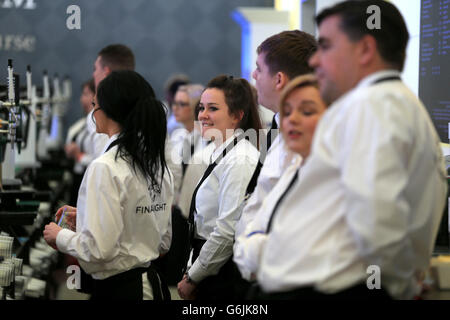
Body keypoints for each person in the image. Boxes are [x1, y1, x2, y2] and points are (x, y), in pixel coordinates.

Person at [253, 0, 447, 300]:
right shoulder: (387, 103)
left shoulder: (373, 106)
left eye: (327, 46)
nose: (315, 61)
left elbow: (377, 224)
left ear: (365, 50)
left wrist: (392, 288)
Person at [43, 70, 174, 300]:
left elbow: (98, 250)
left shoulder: (105, 167)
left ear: (107, 110)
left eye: (95, 104)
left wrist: (59, 236)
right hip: (152, 286)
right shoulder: (157, 162)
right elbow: (163, 242)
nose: (92, 112)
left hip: (121, 291)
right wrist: (88, 216)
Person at [233, 74, 328, 283]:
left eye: (307, 111)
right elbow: (251, 231)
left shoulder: (334, 180)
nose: (292, 119)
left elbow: (293, 250)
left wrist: (254, 249)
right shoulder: (293, 170)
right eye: (286, 112)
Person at [177, 75, 261, 300]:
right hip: (209, 266)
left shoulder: (240, 159)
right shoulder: (222, 152)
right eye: (201, 107)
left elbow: (225, 231)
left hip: (223, 274)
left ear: (237, 115)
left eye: (212, 108)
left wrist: (195, 276)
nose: (203, 115)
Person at [235, 30, 317, 239]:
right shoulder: (277, 126)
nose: (253, 75)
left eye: (258, 68)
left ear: (278, 79)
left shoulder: (305, 140)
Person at [64, 78, 95, 206]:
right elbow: (71, 134)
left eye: (86, 94)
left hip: (89, 179)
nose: (82, 99)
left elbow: (100, 158)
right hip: (77, 177)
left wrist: (79, 155)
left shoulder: (97, 125)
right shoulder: (84, 123)